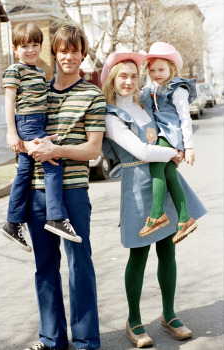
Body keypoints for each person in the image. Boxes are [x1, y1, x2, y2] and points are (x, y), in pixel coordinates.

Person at [101, 51, 206, 348]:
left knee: (167, 250)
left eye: (134, 76)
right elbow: (142, 151)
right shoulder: (111, 115)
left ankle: (169, 315)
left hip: (164, 181)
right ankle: (133, 319)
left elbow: (174, 103)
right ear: (112, 78)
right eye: (123, 75)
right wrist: (176, 153)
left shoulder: (146, 100)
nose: (129, 81)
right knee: (139, 253)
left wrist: (183, 142)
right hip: (137, 184)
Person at [22, 24, 106, 350]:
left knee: (79, 265)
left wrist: (56, 150)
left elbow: (93, 150)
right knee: (45, 267)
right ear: (54, 53)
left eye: (75, 50)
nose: (69, 56)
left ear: (83, 53)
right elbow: (23, 131)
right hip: (37, 191)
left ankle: (85, 341)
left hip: (72, 193)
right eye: (63, 50)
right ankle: (51, 339)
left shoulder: (92, 95)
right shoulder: (38, 92)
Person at [0, 23, 81, 253]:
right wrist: (11, 131)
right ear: (16, 48)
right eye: (25, 46)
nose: (31, 50)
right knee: (53, 163)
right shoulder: (15, 70)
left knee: (24, 173)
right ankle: (56, 217)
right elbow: (9, 101)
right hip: (27, 122)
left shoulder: (38, 72)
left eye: (35, 45)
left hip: (39, 122)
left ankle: (13, 222)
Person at [139, 42, 198, 244]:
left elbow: (185, 119)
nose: (157, 73)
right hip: (160, 134)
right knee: (169, 173)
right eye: (152, 69)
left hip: (170, 135)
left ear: (172, 68)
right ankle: (184, 219)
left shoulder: (177, 89)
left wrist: (188, 147)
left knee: (157, 167)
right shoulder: (153, 87)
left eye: (161, 69)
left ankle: (157, 214)